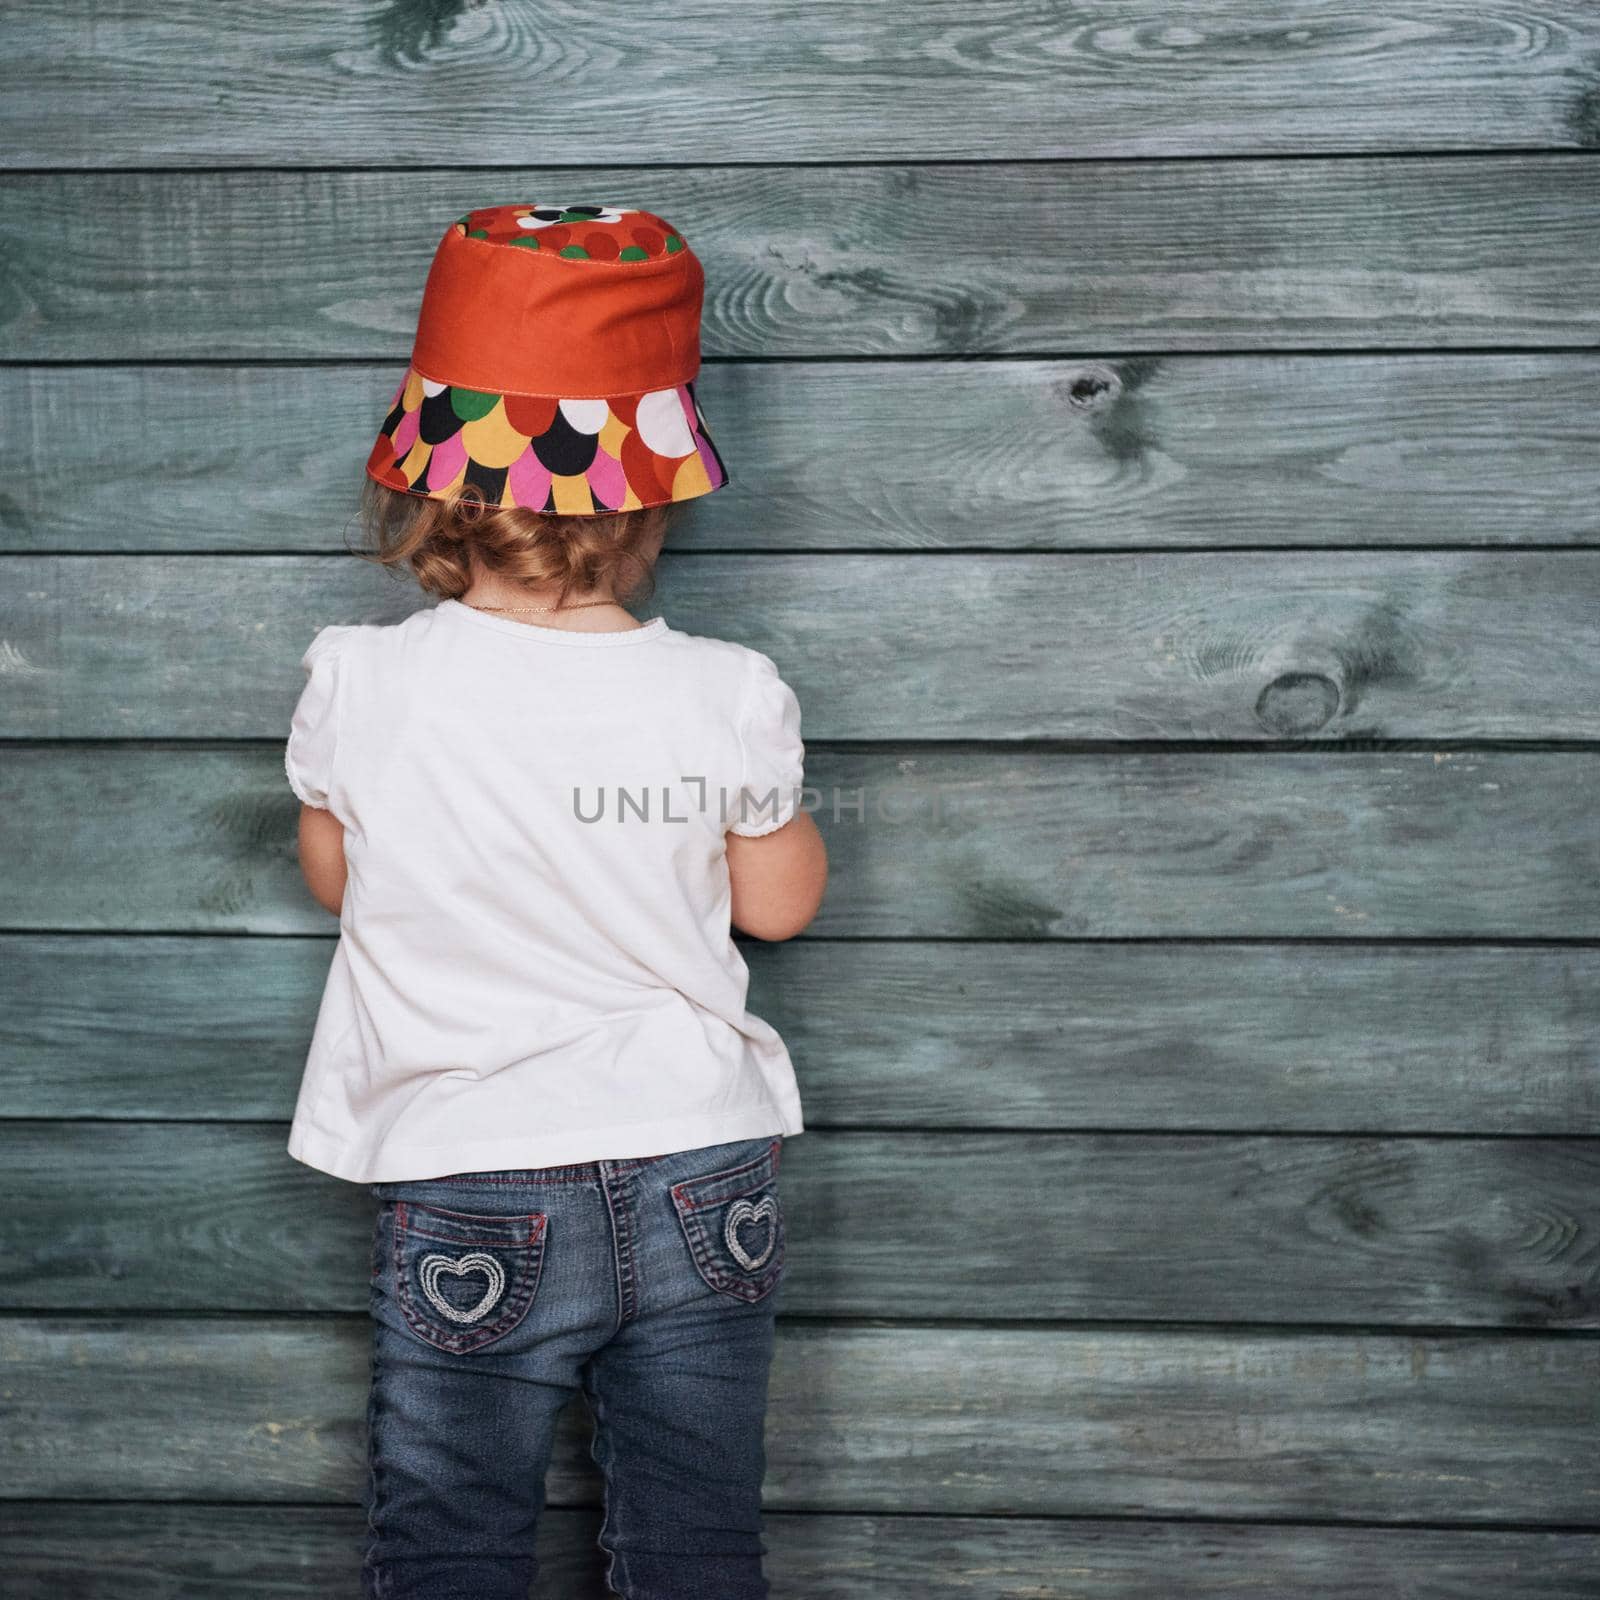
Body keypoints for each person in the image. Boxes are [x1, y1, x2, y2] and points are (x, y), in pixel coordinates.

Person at [281, 201, 828, 1600]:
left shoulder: (364, 677)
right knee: (694, 1540)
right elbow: (777, 909)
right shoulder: (727, 692)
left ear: (431, 492)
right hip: (704, 1169)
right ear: (649, 498)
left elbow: (338, 878)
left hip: (471, 1168)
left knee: (452, 1536)